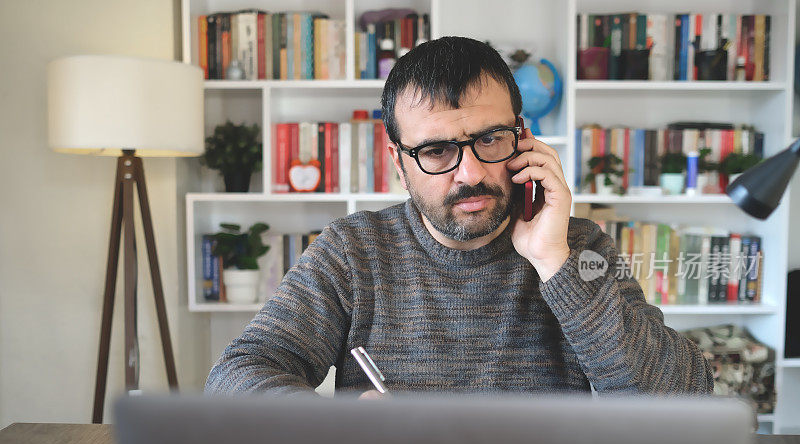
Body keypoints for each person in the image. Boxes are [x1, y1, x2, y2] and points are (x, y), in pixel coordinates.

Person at [205, 36, 713, 398]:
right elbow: (238, 374)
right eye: (437, 150)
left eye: (489, 139)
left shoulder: (580, 249)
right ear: (398, 162)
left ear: (523, 136)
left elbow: (683, 397)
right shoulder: (353, 251)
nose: (469, 172)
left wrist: (555, 262)